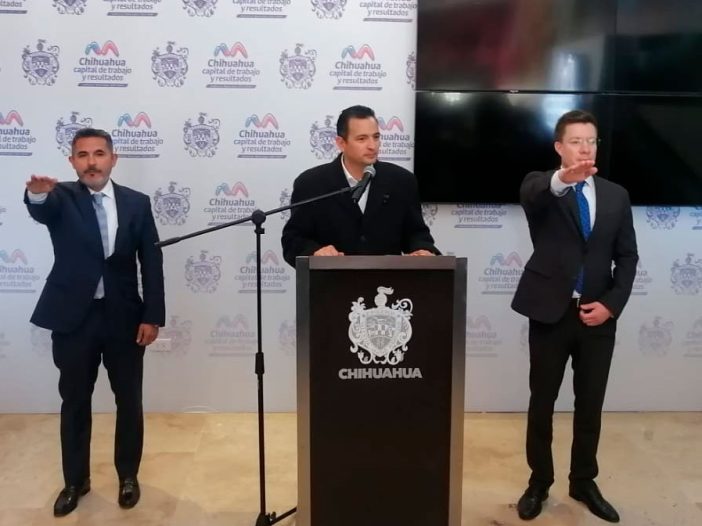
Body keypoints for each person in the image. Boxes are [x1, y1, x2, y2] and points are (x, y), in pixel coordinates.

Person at [24, 128, 165, 517]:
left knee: (129, 400)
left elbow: (151, 261)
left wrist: (153, 315)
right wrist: (37, 194)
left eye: (99, 154)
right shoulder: (61, 197)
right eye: (83, 155)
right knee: (74, 401)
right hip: (74, 319)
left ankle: (128, 476)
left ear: (113, 159)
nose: (91, 162)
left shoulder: (137, 203)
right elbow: (40, 209)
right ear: (72, 162)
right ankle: (76, 481)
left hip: (124, 318)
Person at [511, 110, 638, 523]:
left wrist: (611, 305)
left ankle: (583, 480)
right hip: (550, 312)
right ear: (559, 147)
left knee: (590, 404)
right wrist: (562, 179)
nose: (585, 149)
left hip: (597, 316)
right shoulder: (541, 186)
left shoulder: (616, 195)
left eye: (592, 141)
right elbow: (535, 193)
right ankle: (539, 481)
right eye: (576, 141)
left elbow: (627, 256)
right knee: (542, 402)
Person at [281, 105, 438, 267]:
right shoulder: (311, 183)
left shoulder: (402, 181)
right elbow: (293, 240)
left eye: (376, 137)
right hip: (331, 279)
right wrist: (315, 252)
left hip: (386, 280)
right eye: (362, 139)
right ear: (341, 143)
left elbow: (417, 234)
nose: (372, 146)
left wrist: (423, 250)